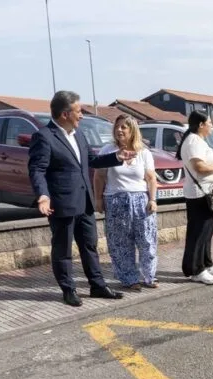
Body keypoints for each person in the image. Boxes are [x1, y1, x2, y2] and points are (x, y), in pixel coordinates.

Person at [28, 91, 135, 307]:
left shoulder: (78, 135)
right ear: (66, 114)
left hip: (84, 201)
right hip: (62, 204)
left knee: (90, 246)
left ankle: (97, 286)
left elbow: (92, 160)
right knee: (63, 249)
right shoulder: (44, 137)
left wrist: (117, 157)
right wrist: (43, 195)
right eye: (79, 111)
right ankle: (68, 289)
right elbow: (37, 169)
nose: (82, 116)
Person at [93, 114, 159, 292]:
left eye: (124, 127)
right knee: (120, 244)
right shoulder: (108, 150)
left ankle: (149, 275)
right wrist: (98, 199)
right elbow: (99, 176)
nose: (119, 130)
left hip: (140, 201)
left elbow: (151, 178)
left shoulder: (144, 152)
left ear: (132, 130)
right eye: (117, 127)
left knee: (147, 240)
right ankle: (129, 278)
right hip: (115, 201)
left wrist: (152, 200)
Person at [175, 111, 213, 285]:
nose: (211, 126)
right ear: (201, 125)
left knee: (207, 231)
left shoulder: (197, 141)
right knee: (198, 233)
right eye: (210, 123)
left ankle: (207, 263)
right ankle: (195, 269)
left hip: (208, 193)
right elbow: (199, 167)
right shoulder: (193, 141)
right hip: (200, 194)